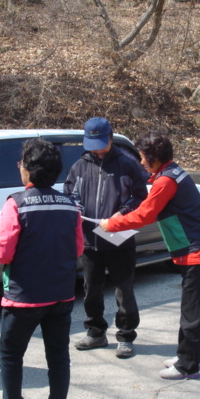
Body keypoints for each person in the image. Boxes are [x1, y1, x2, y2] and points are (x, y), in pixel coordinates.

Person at [99, 130, 200, 380]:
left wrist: (112, 224)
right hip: (198, 249)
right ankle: (186, 356)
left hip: (199, 252)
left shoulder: (166, 181)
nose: (141, 162)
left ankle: (187, 366)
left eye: (143, 157)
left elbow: (145, 214)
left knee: (193, 313)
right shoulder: (170, 172)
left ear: (154, 157)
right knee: (192, 310)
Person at [0, 139, 84, 399]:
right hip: (61, 294)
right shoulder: (70, 205)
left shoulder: (15, 203)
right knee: (58, 356)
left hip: (24, 297)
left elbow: (2, 254)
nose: (20, 169)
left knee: (11, 354)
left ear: (28, 170)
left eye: (21, 164)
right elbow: (78, 248)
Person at [64, 117, 147, 359]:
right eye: (92, 144)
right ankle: (95, 331)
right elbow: (70, 192)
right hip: (90, 238)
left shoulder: (128, 163)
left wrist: (122, 213)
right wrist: (75, 206)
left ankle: (126, 335)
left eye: (101, 143)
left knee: (124, 289)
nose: (97, 149)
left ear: (110, 138)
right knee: (91, 289)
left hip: (120, 237)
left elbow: (141, 196)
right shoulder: (80, 165)